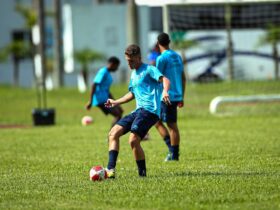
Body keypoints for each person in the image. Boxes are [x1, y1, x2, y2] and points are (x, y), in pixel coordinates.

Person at [104, 44, 170, 178]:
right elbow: (131, 94)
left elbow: (165, 79)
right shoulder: (133, 74)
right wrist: (115, 101)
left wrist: (165, 91)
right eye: (127, 61)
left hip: (150, 111)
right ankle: (110, 170)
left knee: (133, 140)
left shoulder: (149, 69)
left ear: (139, 58)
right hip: (138, 111)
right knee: (113, 133)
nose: (129, 63)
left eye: (131, 60)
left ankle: (142, 174)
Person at [155, 32, 186, 161]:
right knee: (158, 121)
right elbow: (183, 78)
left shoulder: (161, 58)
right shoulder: (177, 56)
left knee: (170, 125)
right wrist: (182, 96)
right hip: (177, 95)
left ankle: (173, 154)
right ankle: (172, 152)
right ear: (169, 42)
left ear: (158, 44)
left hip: (166, 96)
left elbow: (158, 78)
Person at [86, 56, 123, 128]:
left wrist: (116, 103)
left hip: (105, 99)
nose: (117, 68)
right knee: (118, 114)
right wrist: (90, 101)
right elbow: (94, 85)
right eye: (117, 66)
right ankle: (111, 136)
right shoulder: (103, 72)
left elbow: (107, 91)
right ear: (112, 64)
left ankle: (112, 135)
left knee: (119, 112)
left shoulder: (108, 74)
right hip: (100, 100)